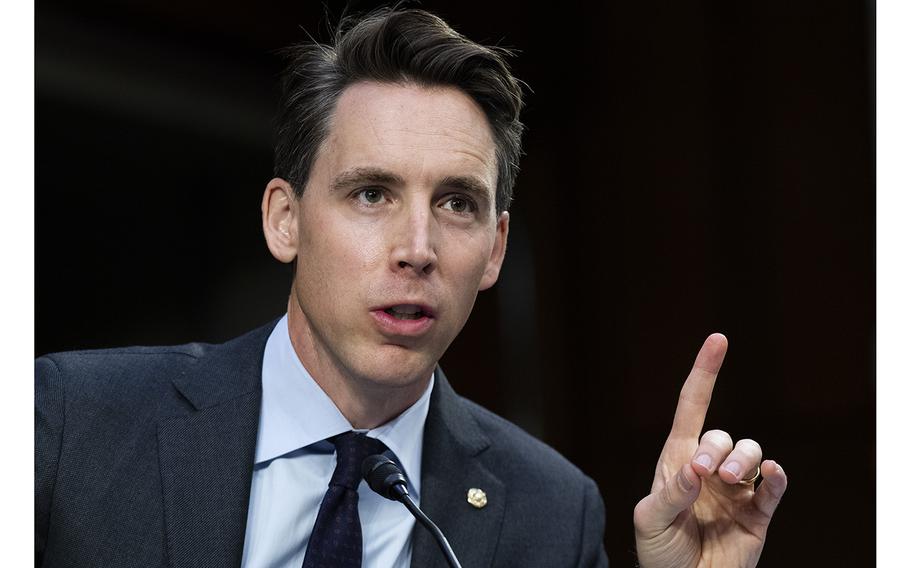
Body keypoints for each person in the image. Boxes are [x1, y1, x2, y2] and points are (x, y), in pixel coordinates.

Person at [35, 6, 787, 568]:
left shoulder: (551, 514)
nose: (417, 249)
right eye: (371, 194)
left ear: (493, 250)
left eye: (457, 204)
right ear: (284, 220)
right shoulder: (69, 425)